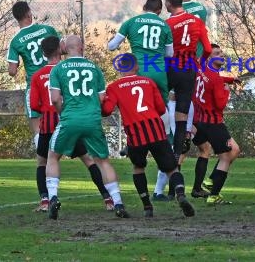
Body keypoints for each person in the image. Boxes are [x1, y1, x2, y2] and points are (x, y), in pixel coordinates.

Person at [101, 53, 195, 218]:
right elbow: (160, 109)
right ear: (137, 67)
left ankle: (147, 206)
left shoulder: (114, 87)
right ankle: (180, 195)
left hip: (136, 134)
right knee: (171, 169)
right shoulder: (148, 82)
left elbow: (106, 111)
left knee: (138, 168)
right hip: (156, 131)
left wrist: (101, 101)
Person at [46, 35, 129, 220]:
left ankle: (52, 198)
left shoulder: (58, 68)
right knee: (103, 161)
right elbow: (101, 99)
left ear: (64, 49)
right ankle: (118, 202)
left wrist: (63, 112)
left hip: (70, 119)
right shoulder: (95, 68)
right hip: (92, 120)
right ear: (82, 48)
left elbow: (54, 98)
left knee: (52, 156)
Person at [29, 35, 114, 212]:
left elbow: (34, 105)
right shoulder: (66, 69)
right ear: (60, 50)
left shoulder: (38, 76)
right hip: (71, 120)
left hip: (50, 124)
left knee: (43, 162)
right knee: (89, 160)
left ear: (43, 53)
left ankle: (46, 201)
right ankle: (108, 198)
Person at [165, 0, 212, 163]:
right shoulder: (197, 21)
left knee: (156, 103)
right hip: (189, 69)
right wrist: (200, 60)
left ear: (168, 3)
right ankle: (177, 154)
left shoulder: (168, 23)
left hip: (172, 67)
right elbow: (207, 48)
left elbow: (165, 51)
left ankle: (141, 143)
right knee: (182, 115)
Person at [192, 44, 241, 204]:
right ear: (210, 58)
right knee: (227, 155)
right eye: (217, 53)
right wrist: (227, 89)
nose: (222, 55)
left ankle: (211, 181)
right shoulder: (215, 79)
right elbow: (220, 104)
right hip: (213, 123)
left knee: (233, 150)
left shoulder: (201, 69)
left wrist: (230, 79)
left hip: (201, 121)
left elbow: (213, 80)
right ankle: (214, 194)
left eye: (221, 52)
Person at [7, 1, 59, 139]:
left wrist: (17, 63)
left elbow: (12, 71)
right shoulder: (48, 30)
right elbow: (62, 49)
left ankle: (44, 159)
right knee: (61, 122)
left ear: (17, 18)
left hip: (35, 83)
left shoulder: (16, 41)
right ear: (29, 14)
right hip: (55, 81)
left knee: (38, 129)